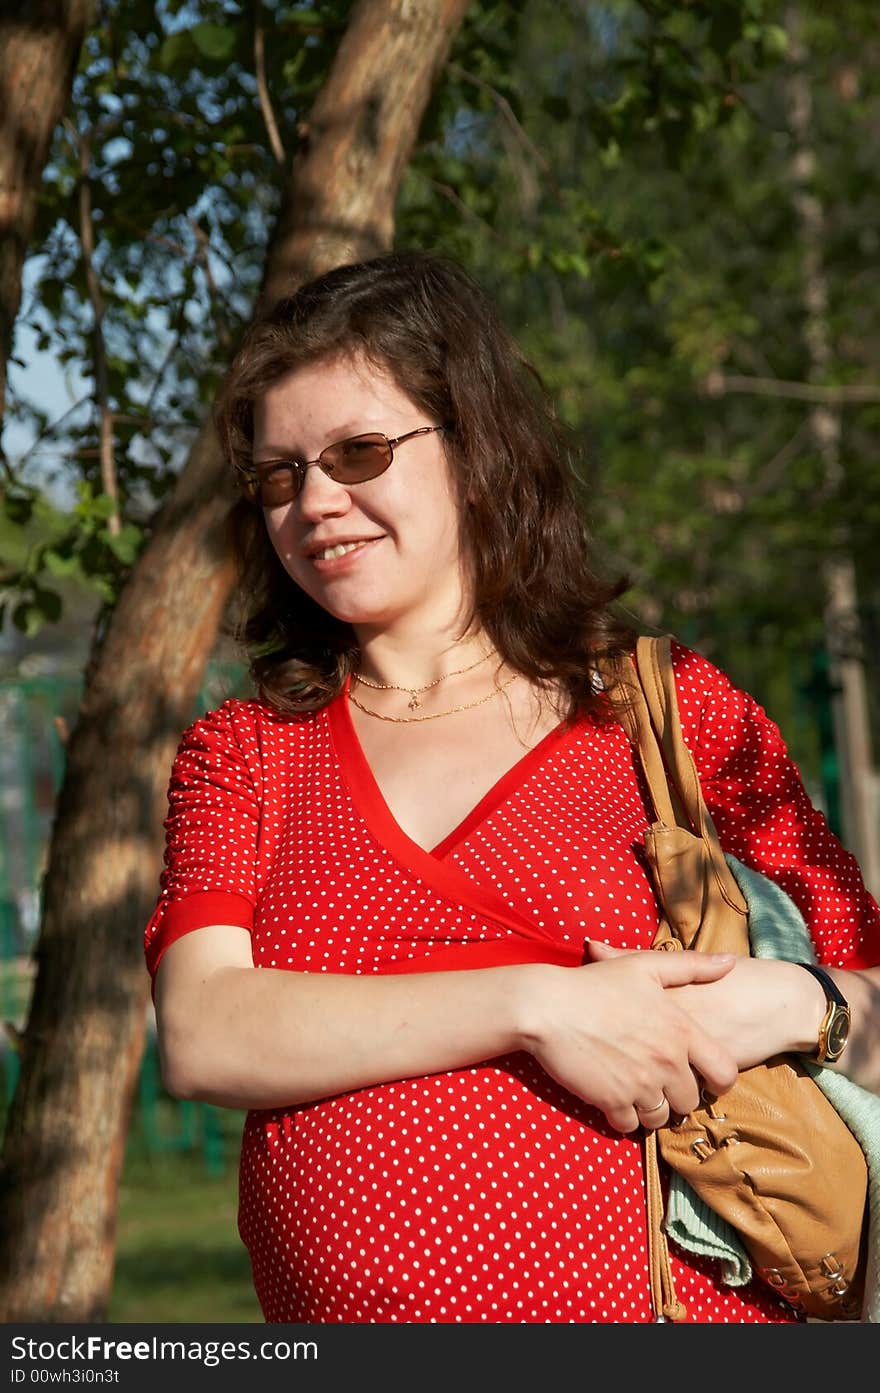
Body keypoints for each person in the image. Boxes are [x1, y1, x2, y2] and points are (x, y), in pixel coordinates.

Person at [144, 250, 880, 1325]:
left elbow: (865, 994)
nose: (316, 501)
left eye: (359, 452)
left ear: (476, 449)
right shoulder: (245, 751)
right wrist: (536, 1006)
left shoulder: (665, 712)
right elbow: (206, 1031)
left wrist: (787, 1000)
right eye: (279, 474)